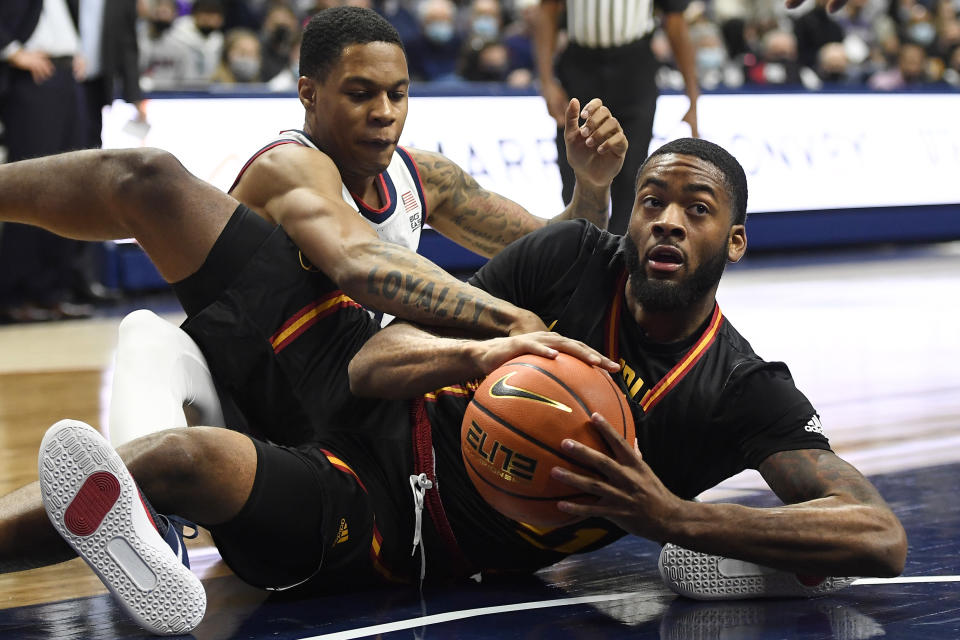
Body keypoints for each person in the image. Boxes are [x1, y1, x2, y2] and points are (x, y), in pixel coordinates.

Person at [0, 138, 906, 636]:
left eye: (696, 209)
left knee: (176, 459)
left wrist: (676, 519)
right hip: (361, 388)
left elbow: (879, 534)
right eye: (652, 200)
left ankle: (147, 502)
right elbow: (371, 364)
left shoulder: (738, 387)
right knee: (151, 180)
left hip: (400, 523)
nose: (666, 219)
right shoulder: (572, 259)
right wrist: (478, 356)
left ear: (734, 242)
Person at [107, 6, 627, 447]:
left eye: (397, 95)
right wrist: (509, 321)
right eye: (361, 94)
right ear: (309, 93)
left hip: (362, 415)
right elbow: (362, 266)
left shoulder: (424, 176)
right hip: (257, 412)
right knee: (145, 333)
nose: (384, 113)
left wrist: (592, 185)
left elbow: (555, 254)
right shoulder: (286, 167)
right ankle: (148, 512)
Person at [533, 0, 700, 235]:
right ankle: (576, 253)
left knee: (632, 175)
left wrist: (692, 94)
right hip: (580, 67)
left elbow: (675, 22)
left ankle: (618, 263)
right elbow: (548, 10)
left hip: (635, 68)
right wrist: (546, 81)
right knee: (574, 171)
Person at [0, 0, 92, 323]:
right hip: (32, 79)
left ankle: (52, 291)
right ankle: (15, 295)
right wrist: (11, 50)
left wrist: (75, 53)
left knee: (68, 187)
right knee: (29, 186)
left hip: (67, 77)